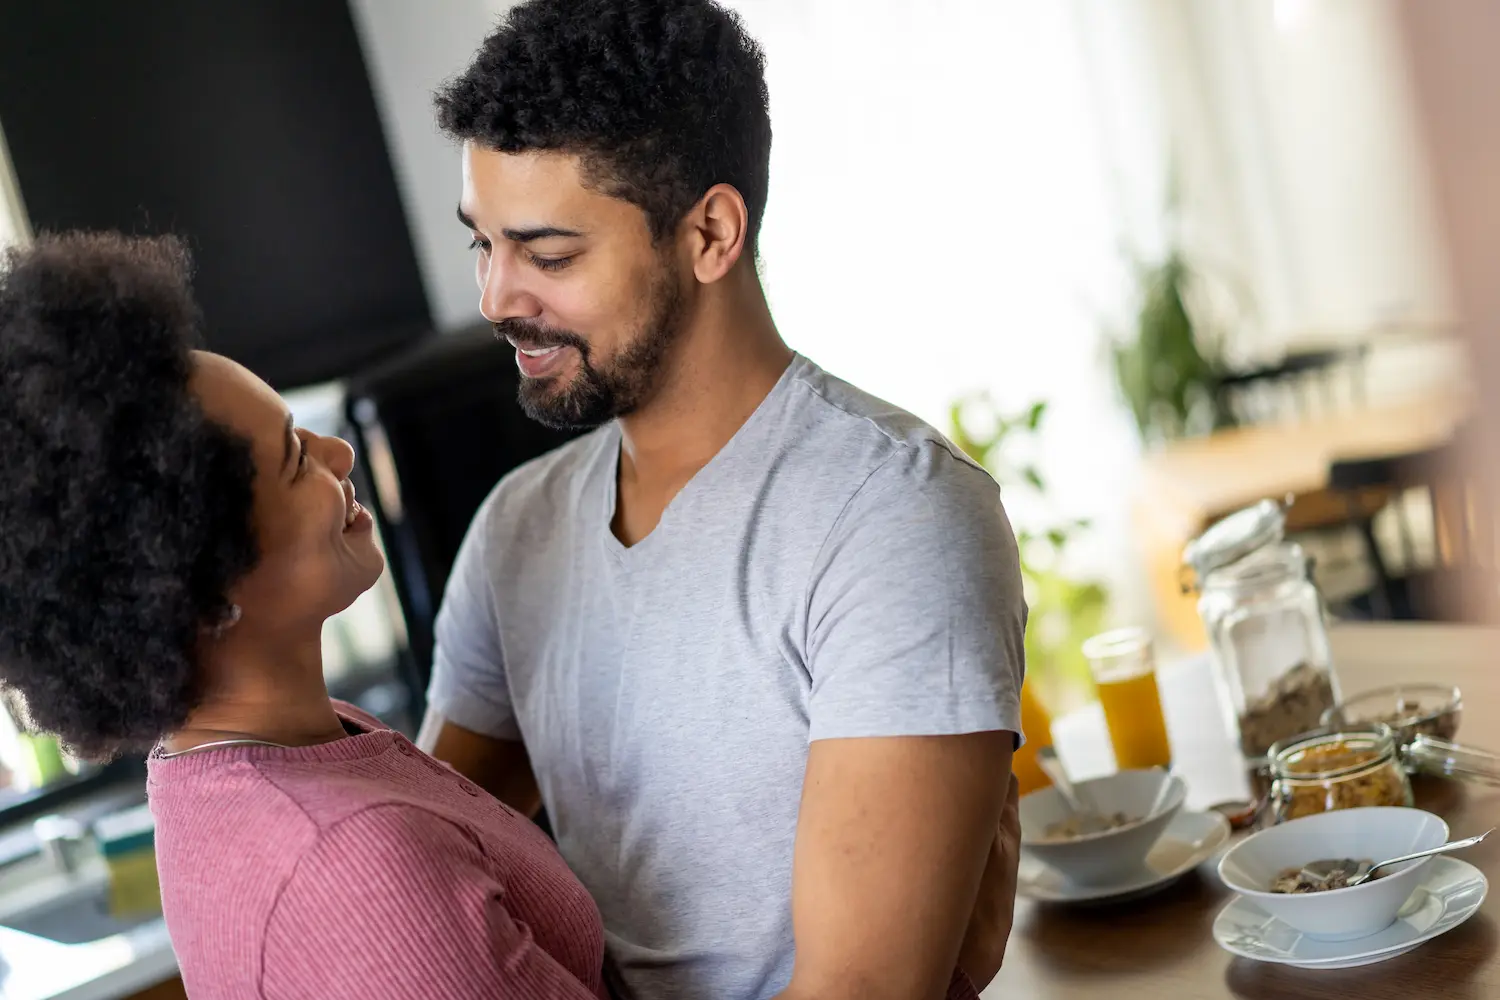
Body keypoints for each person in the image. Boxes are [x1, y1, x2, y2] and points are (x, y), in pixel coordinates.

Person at [419, 2, 1028, 998]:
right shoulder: (514, 535)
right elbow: (434, 886)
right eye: (481, 243)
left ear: (709, 231)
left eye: (548, 253)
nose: (495, 297)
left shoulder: (891, 517)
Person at [0, 232, 611, 999]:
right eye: (295, 456)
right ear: (205, 582)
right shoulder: (351, 861)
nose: (339, 455)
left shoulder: (255, 757)